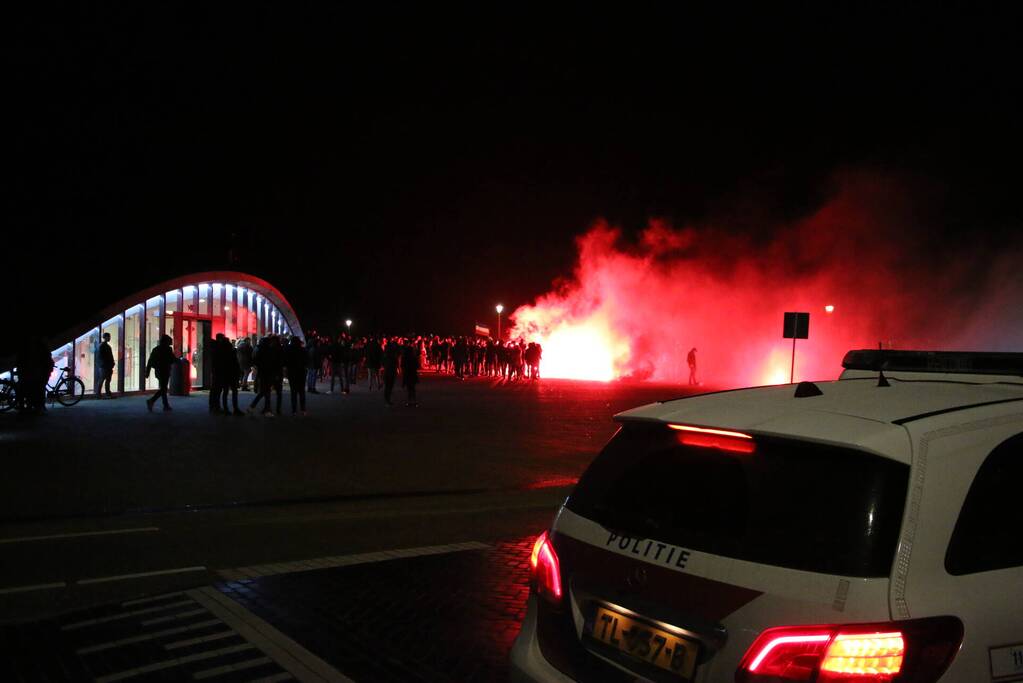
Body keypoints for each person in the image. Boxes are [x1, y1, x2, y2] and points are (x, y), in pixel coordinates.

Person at [248, 335, 284, 416]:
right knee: (267, 392)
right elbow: (276, 363)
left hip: (265, 373)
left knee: (265, 392)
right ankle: (266, 410)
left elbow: (256, 361)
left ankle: (259, 408)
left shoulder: (261, 349)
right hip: (270, 374)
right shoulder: (270, 350)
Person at [145, 334, 177, 412]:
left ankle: (164, 405)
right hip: (165, 371)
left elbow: (150, 361)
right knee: (163, 388)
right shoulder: (168, 349)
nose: (171, 342)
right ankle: (152, 401)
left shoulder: (156, 349)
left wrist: (147, 372)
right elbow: (172, 359)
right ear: (166, 341)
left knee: (163, 388)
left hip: (158, 371)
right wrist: (177, 359)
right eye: (170, 341)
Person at [285, 336, 308, 415]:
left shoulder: (289, 350)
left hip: (292, 373)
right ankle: (303, 409)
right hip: (301, 372)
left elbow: (286, 362)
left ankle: (294, 410)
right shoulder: (303, 350)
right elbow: (306, 361)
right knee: (302, 392)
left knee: (293, 392)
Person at [401, 338, 420, 406]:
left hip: (407, 373)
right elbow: (417, 366)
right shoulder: (413, 357)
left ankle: (409, 401)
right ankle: (414, 401)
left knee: (409, 388)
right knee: (412, 388)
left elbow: (402, 365)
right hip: (412, 373)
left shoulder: (405, 358)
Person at [382, 337, 400, 406]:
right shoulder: (393, 356)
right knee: (389, 386)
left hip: (388, 371)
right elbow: (395, 363)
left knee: (388, 386)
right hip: (391, 372)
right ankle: (387, 399)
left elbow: (383, 363)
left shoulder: (386, 355)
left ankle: (387, 399)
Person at [97, 332, 115, 397]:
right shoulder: (103, 346)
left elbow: (110, 356)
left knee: (106, 380)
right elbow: (102, 357)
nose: (110, 338)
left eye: (109, 336)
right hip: (105, 366)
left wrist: (112, 363)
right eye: (108, 336)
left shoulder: (105, 346)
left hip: (106, 366)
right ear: (105, 337)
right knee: (103, 380)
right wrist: (110, 363)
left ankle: (106, 393)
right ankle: (100, 394)